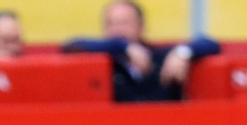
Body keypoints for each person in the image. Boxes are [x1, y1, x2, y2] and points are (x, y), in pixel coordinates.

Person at [63, 0, 220, 103]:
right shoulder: (106, 62)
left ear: (141, 26)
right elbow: (71, 45)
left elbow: (211, 44)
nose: (117, 29)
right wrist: (124, 47)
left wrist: (183, 53)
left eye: (124, 22)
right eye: (110, 23)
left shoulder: (162, 57)